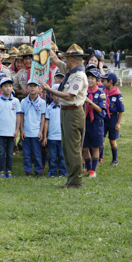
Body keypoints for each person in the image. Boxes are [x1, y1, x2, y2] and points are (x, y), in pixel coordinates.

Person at [42, 44, 89, 188]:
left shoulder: (79, 76)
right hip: (66, 111)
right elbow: (55, 59)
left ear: (72, 60)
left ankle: (76, 181)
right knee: (66, 147)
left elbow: (69, 95)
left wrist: (50, 90)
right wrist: (46, 45)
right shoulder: (70, 71)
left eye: (66, 58)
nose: (64, 61)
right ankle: (71, 178)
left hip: (73, 112)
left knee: (73, 148)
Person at [0, 78, 21, 178]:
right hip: (1, 131)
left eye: (10, 86)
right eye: (5, 86)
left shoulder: (16, 101)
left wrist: (17, 130)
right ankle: (1, 171)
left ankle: (9, 171)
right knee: (1, 152)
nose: (8, 88)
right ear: (1, 88)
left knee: (9, 152)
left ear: (12, 87)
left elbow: (18, 116)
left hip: (12, 131)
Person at [20, 80, 46, 177]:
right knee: (26, 154)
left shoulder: (42, 102)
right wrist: (21, 130)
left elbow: (43, 117)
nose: (32, 88)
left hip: (36, 132)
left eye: (34, 86)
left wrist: (41, 131)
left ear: (39, 89)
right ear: (27, 88)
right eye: (30, 86)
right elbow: (21, 116)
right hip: (26, 131)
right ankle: (28, 171)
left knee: (37, 153)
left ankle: (38, 171)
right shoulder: (23, 101)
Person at [43, 85, 68, 177]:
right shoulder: (49, 108)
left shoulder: (65, 108)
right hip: (52, 137)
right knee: (52, 156)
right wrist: (45, 136)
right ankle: (52, 171)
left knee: (62, 156)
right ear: (51, 96)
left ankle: (63, 171)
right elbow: (46, 122)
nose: (58, 98)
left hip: (62, 137)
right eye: (56, 95)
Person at [101, 72, 124, 166]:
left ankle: (115, 160)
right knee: (101, 139)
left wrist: (118, 123)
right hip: (103, 118)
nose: (102, 83)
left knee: (112, 140)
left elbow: (121, 110)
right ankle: (100, 158)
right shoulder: (103, 92)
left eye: (104, 81)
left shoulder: (118, 94)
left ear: (110, 82)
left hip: (113, 118)